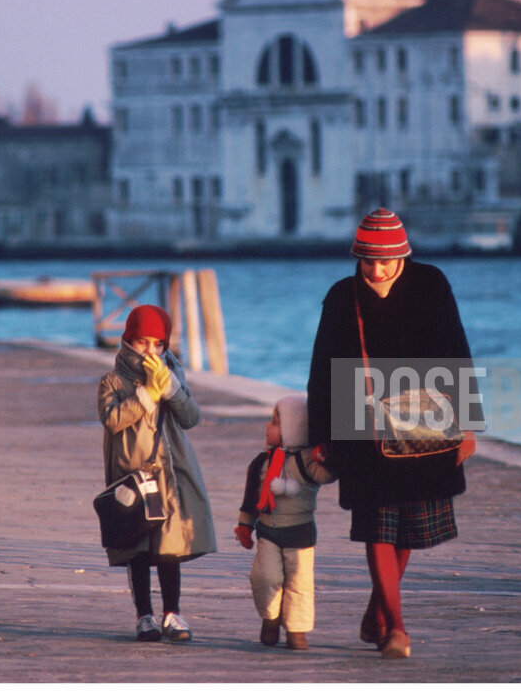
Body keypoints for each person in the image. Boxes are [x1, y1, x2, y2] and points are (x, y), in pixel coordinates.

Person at [307, 208, 478, 659]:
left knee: (409, 529)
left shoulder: (432, 284)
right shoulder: (342, 297)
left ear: (402, 254)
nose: (375, 269)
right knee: (376, 525)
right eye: (367, 261)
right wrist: (320, 434)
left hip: (427, 423)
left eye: (383, 260)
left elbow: (457, 352)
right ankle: (396, 628)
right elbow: (321, 369)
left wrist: (469, 424)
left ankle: (378, 609)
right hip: (360, 426)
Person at [98, 304, 217, 642]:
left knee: (169, 545)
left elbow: (191, 418)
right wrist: (146, 395)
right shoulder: (112, 379)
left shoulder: (172, 372)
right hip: (131, 473)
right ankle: (143, 616)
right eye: (142, 342)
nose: (150, 350)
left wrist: (170, 390)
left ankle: (172, 614)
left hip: (171, 471)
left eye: (157, 344)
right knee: (137, 547)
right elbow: (113, 419)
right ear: (128, 341)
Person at [235, 394, 335, 650]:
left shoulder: (307, 462)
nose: (268, 427)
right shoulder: (261, 462)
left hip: (300, 534)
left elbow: (325, 476)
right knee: (264, 577)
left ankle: (297, 629)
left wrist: (330, 459)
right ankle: (271, 617)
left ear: (294, 428)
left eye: (275, 423)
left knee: (300, 582)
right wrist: (245, 525)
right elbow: (250, 498)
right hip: (268, 531)